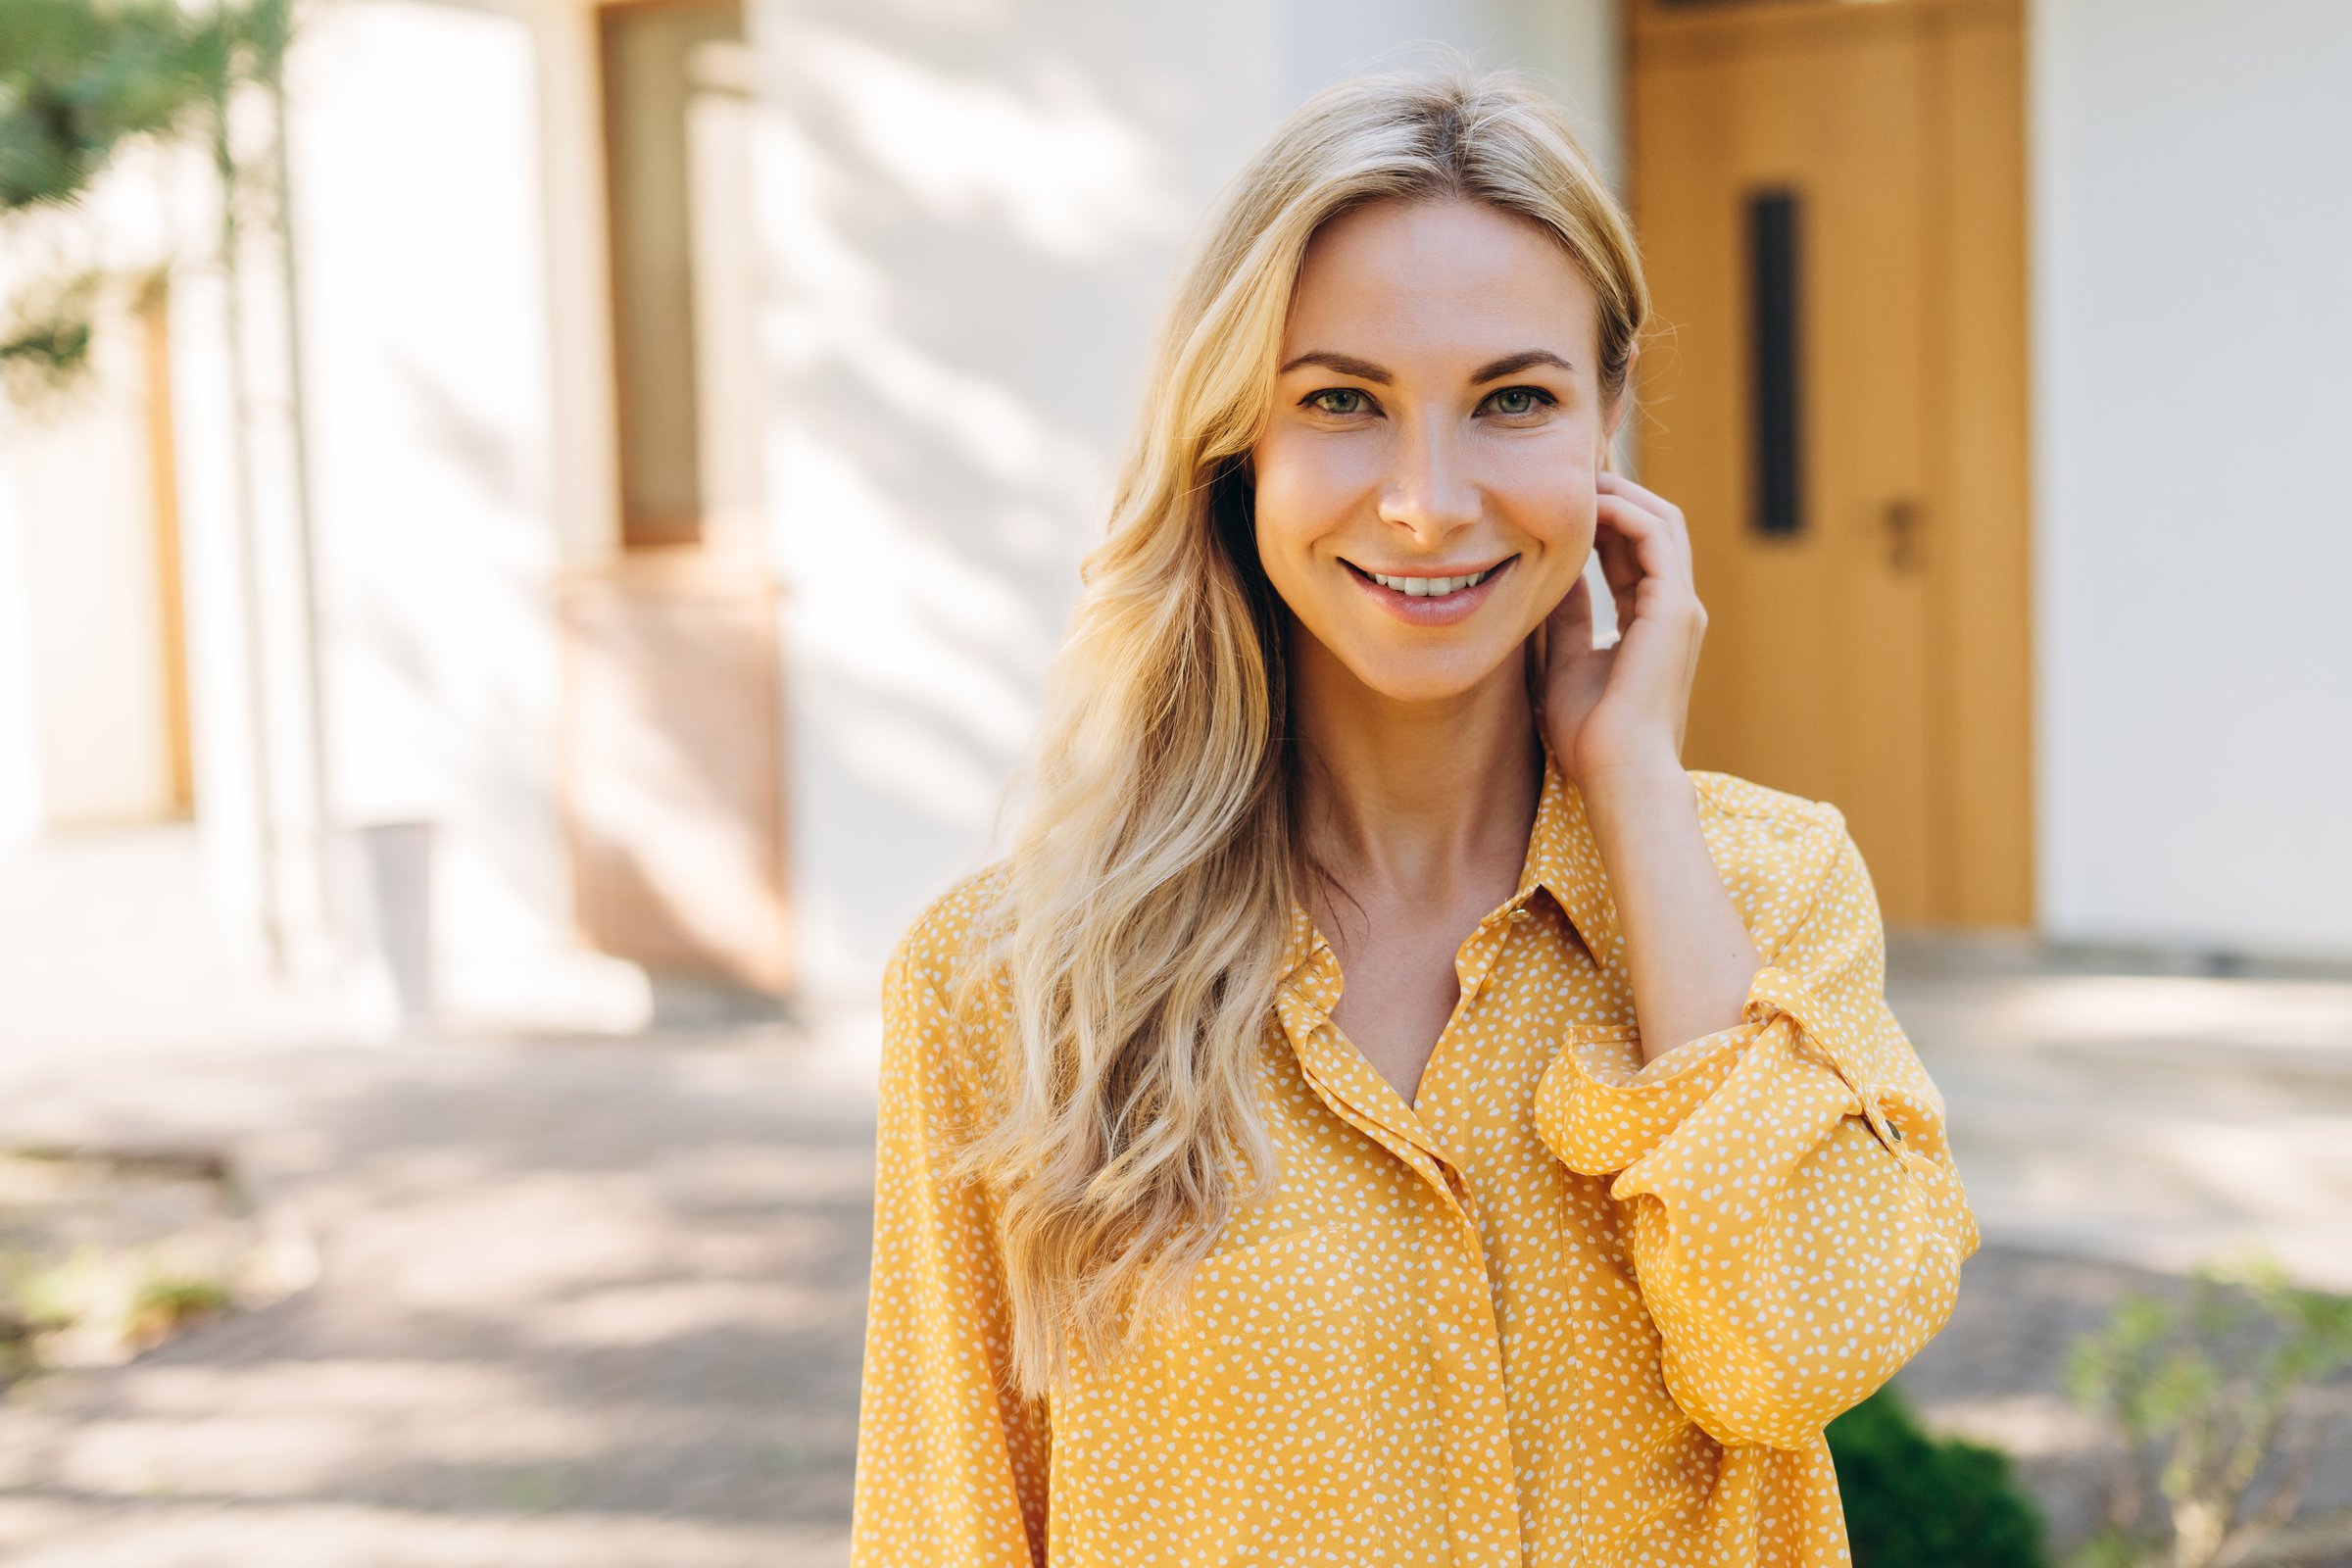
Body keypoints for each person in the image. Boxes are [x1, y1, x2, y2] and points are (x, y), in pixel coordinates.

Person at [849, 60, 1980, 1568]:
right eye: (1342, 403)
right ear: (1238, 440)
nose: (1429, 501)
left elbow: (1795, 1347)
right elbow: (948, 1526)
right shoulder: (999, 986)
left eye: (1513, 400)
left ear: (1609, 425)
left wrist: (1632, 780)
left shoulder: (1764, 886)